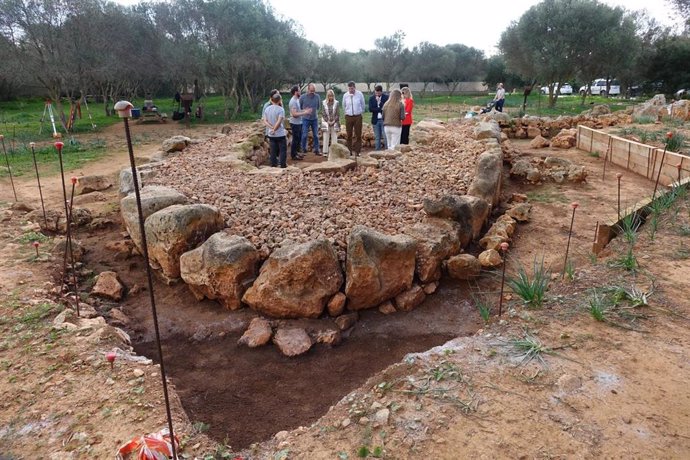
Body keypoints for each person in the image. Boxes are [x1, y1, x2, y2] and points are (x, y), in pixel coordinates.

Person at [263, 92, 288, 168]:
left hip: (271, 134)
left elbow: (265, 120)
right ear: (279, 100)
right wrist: (275, 129)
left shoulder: (267, 109)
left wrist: (271, 128)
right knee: (282, 149)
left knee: (273, 150)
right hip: (280, 133)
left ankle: (273, 164)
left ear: (272, 100)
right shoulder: (281, 109)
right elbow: (279, 121)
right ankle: (282, 164)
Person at [342, 81, 366, 156]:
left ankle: (357, 152)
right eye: (349, 89)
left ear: (354, 87)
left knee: (358, 134)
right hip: (349, 116)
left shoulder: (359, 94)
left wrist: (360, 112)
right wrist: (346, 113)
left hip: (357, 116)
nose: (351, 90)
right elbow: (343, 105)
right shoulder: (345, 95)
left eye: (352, 88)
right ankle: (349, 151)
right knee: (349, 135)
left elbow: (363, 104)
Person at [288, 85, 311, 161]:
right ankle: (293, 155)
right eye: (299, 91)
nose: (300, 92)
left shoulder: (297, 100)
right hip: (295, 123)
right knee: (295, 139)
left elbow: (298, 111)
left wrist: (305, 111)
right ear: (296, 92)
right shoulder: (293, 101)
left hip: (299, 123)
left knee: (298, 139)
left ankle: (297, 153)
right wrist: (305, 113)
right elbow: (294, 114)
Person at [299, 83, 321, 155]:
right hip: (305, 119)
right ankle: (304, 149)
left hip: (314, 119)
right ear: (307, 90)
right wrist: (305, 111)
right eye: (311, 90)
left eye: (314, 91)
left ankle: (316, 150)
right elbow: (300, 108)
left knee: (316, 135)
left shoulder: (317, 96)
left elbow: (318, 107)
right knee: (304, 135)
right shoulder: (302, 97)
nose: (312, 92)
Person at [368, 84, 388, 150]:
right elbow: (370, 109)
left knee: (385, 136)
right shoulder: (371, 98)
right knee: (377, 137)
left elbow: (386, 108)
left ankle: (387, 150)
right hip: (375, 120)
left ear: (381, 91)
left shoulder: (386, 97)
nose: (377, 94)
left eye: (378, 92)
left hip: (384, 119)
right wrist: (379, 109)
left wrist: (379, 102)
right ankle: (377, 151)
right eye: (376, 92)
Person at [321, 89, 340, 155]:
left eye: (331, 96)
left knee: (334, 137)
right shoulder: (323, 103)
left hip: (334, 122)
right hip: (326, 122)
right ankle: (325, 152)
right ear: (327, 96)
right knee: (326, 137)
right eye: (329, 96)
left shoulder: (336, 103)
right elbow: (323, 113)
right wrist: (328, 121)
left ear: (333, 96)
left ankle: (334, 152)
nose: (330, 97)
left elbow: (338, 114)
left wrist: (334, 121)